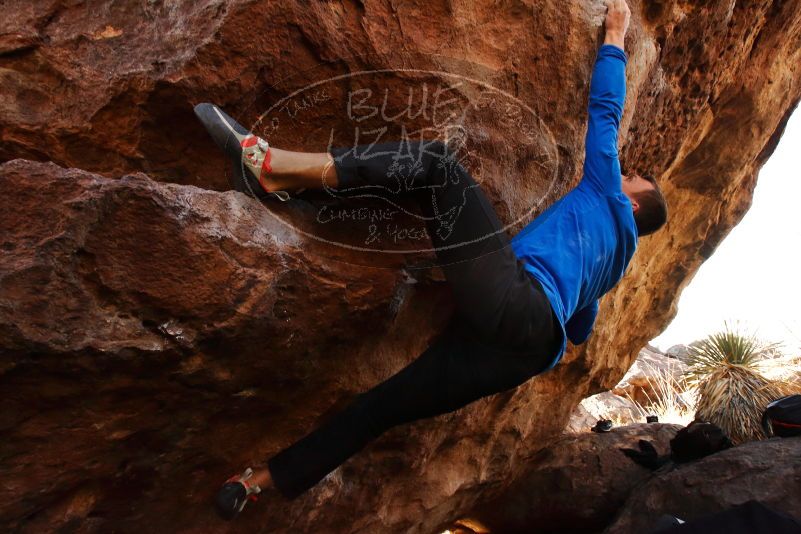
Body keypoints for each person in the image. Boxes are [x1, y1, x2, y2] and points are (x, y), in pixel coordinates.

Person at [195, 0, 667, 520]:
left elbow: (606, 112)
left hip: (515, 304)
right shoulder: (617, 263)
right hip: (519, 355)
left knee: (439, 167)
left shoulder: (608, 195)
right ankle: (258, 482)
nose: (624, 176)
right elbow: (580, 328)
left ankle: (276, 169)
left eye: (632, 179)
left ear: (634, 202)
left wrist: (616, 37)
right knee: (383, 408)